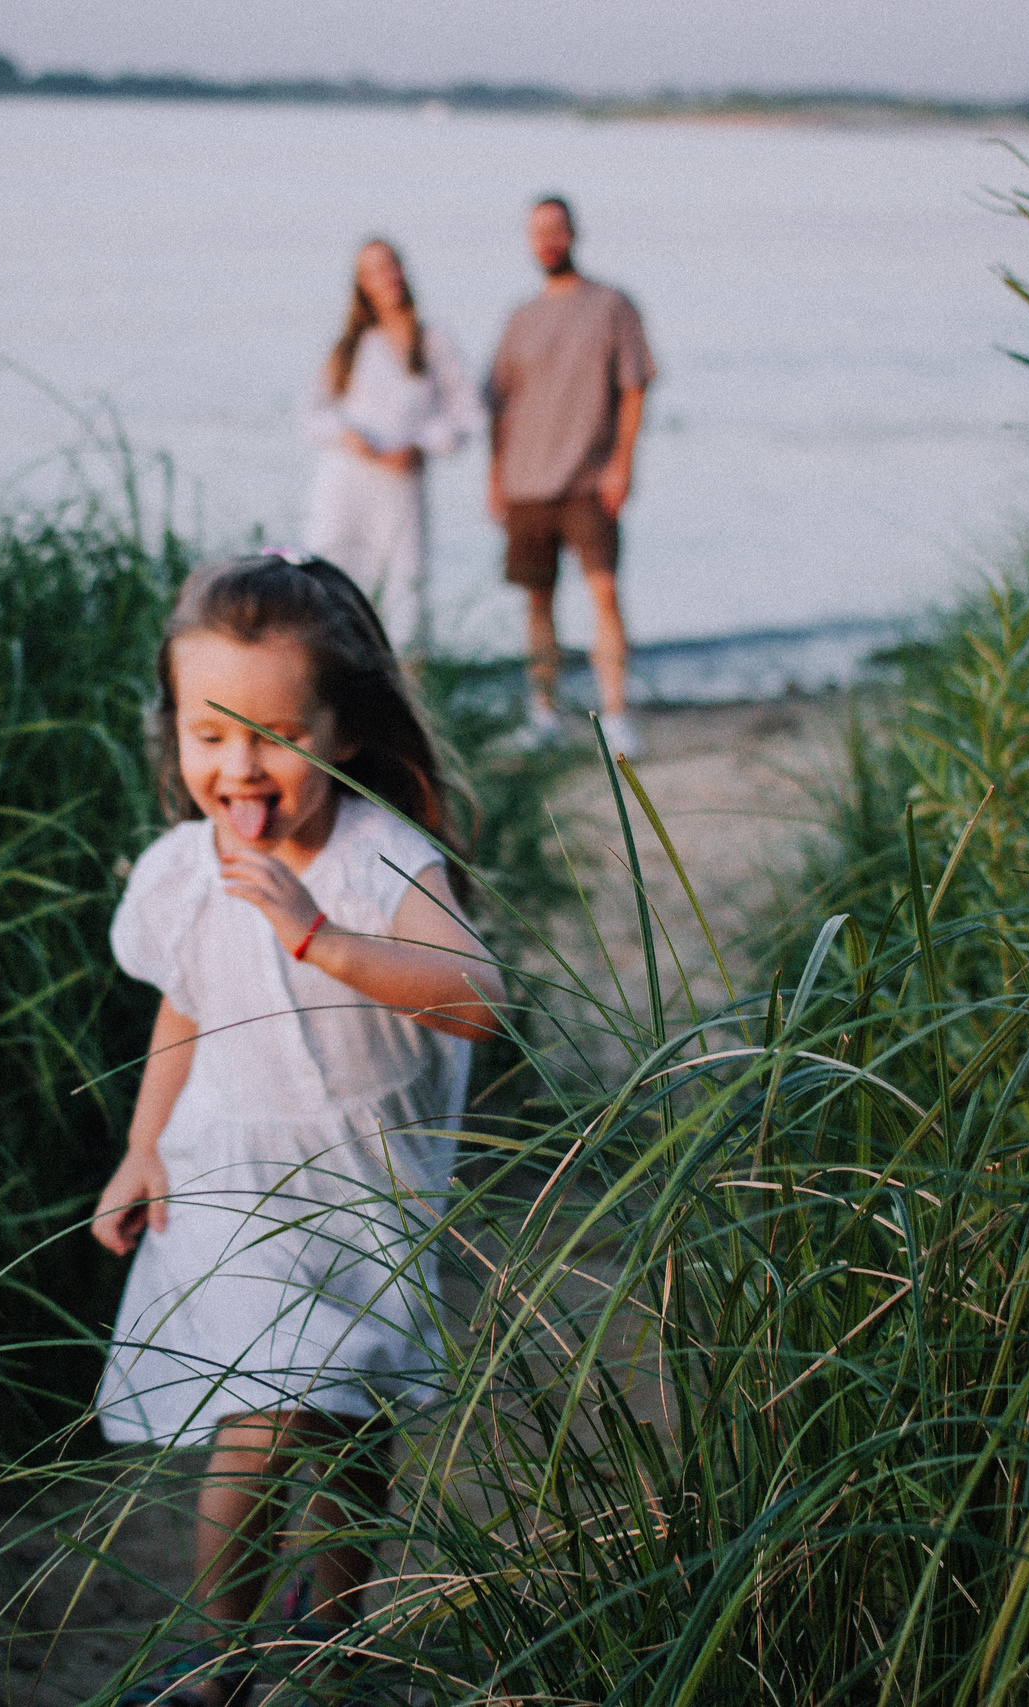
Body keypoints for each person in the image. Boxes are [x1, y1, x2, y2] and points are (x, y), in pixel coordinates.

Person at [90, 553, 499, 1706]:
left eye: (272, 734)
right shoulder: (185, 871)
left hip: (364, 1179)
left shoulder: (380, 860)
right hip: (232, 1176)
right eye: (207, 735)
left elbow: (475, 997)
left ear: (344, 728)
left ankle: (330, 1629)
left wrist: (319, 934)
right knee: (259, 1412)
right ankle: (226, 1662)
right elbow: (188, 1001)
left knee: (349, 1426)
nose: (238, 767)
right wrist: (140, 1145)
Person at [484, 193, 657, 756]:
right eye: (538, 233)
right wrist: (494, 479)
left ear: (574, 234)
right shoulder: (520, 317)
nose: (548, 241)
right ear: (529, 242)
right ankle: (543, 715)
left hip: (587, 480)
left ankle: (615, 713)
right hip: (526, 484)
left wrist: (622, 465)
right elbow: (499, 406)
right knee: (537, 601)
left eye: (556, 230)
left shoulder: (611, 306)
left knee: (603, 592)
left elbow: (634, 389)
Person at [301, 238, 482, 659]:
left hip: (401, 483)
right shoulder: (350, 345)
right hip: (347, 479)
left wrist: (420, 445)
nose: (386, 277)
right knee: (336, 576)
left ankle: (404, 696)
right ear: (361, 283)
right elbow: (313, 414)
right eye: (374, 270)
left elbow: (467, 414)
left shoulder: (432, 341)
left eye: (391, 266)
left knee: (405, 591)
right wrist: (350, 437)